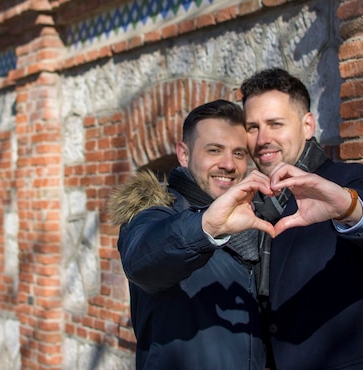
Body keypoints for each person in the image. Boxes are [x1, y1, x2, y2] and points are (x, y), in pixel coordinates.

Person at [241, 68, 363, 369]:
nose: (262, 139)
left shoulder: (346, 181)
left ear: (307, 125)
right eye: (252, 127)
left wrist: (345, 206)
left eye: (275, 124)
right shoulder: (250, 203)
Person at [108, 99, 275, 370]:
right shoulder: (155, 213)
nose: (229, 164)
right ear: (184, 155)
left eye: (239, 153)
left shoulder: (251, 223)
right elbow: (142, 260)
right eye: (214, 150)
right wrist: (206, 227)